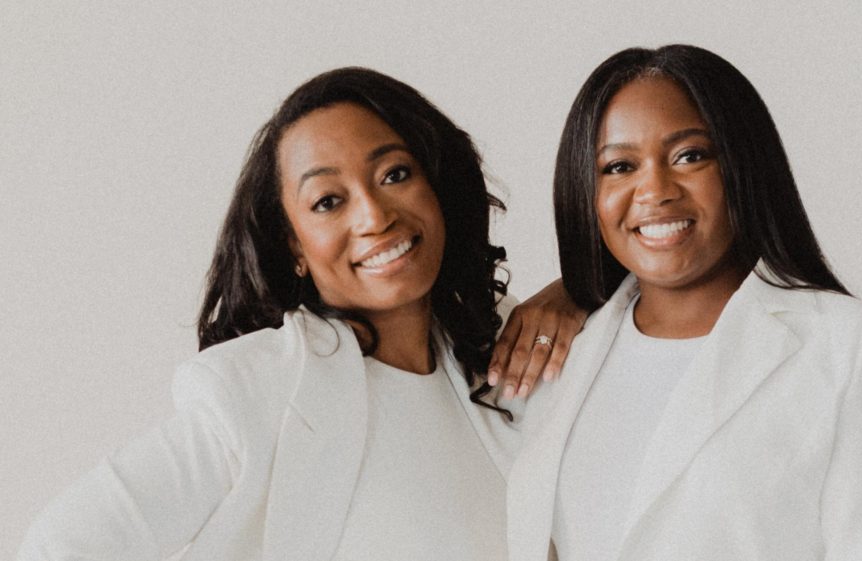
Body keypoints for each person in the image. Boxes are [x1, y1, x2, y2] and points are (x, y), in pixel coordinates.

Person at [19, 67, 581, 561]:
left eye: (394, 174)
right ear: (294, 247)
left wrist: (580, 291)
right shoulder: (265, 393)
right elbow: (62, 547)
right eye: (328, 202)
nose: (373, 216)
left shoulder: (494, 354)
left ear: (437, 185)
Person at [506, 45, 862, 561]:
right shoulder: (554, 361)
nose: (655, 190)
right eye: (619, 166)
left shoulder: (853, 349)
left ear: (743, 164)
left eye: (690, 156)